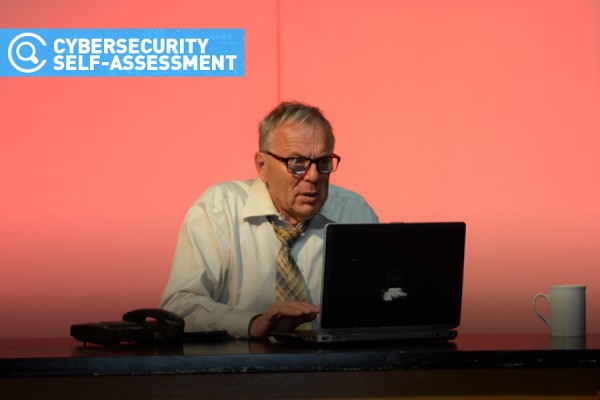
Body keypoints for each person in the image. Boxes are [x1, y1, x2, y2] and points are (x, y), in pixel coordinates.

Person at [160, 101, 378, 339]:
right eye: (297, 163)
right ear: (262, 166)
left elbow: (383, 300)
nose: (313, 176)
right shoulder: (219, 209)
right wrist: (252, 324)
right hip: (241, 367)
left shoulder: (355, 212)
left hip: (336, 368)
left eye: (323, 162)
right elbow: (180, 305)